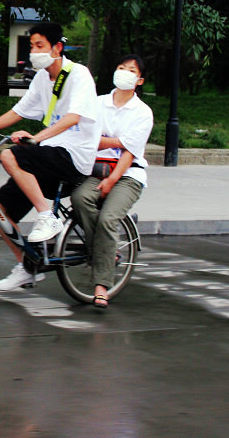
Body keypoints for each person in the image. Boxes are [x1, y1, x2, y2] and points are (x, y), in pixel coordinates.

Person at [0, 22, 100, 291]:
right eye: (32, 46)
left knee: (11, 155)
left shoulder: (79, 75)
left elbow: (74, 117)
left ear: (57, 47)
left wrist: (36, 139)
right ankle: (27, 267)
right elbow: (18, 111)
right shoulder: (41, 78)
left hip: (75, 156)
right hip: (52, 153)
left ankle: (46, 216)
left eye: (40, 46)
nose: (34, 51)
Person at [70, 54, 153, 310]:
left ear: (139, 80)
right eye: (121, 67)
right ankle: (107, 252)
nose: (124, 72)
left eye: (131, 70)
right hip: (95, 169)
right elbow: (86, 136)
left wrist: (112, 178)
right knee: (79, 198)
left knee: (108, 218)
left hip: (128, 175)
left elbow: (130, 152)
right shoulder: (97, 103)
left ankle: (101, 285)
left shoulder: (142, 113)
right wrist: (117, 140)